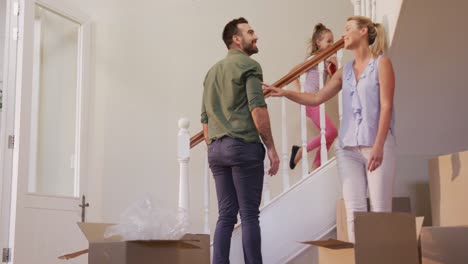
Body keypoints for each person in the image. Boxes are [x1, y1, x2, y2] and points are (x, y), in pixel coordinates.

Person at [263, 16, 396, 243]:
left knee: (380, 212)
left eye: (347, 29)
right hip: (348, 150)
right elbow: (316, 97)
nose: (343, 34)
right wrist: (285, 92)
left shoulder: (381, 63)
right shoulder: (343, 71)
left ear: (363, 31)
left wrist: (379, 145)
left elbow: (387, 106)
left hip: (376, 145)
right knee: (355, 215)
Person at [201, 17, 280, 263]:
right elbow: (258, 109)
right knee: (248, 215)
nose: (255, 36)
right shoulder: (249, 66)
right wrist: (271, 148)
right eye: (250, 32)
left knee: (225, 216)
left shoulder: (211, 72)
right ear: (236, 39)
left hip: (215, 149)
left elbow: (204, 120)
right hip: (243, 146)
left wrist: (217, 146)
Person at [289, 23, 338, 172]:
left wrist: (334, 66)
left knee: (329, 134)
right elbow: (293, 74)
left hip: (315, 100)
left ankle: (315, 166)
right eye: (328, 41)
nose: (331, 44)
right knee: (332, 132)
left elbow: (333, 82)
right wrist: (300, 94)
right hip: (309, 101)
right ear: (318, 42)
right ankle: (300, 152)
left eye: (332, 41)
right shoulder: (314, 58)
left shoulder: (325, 61)